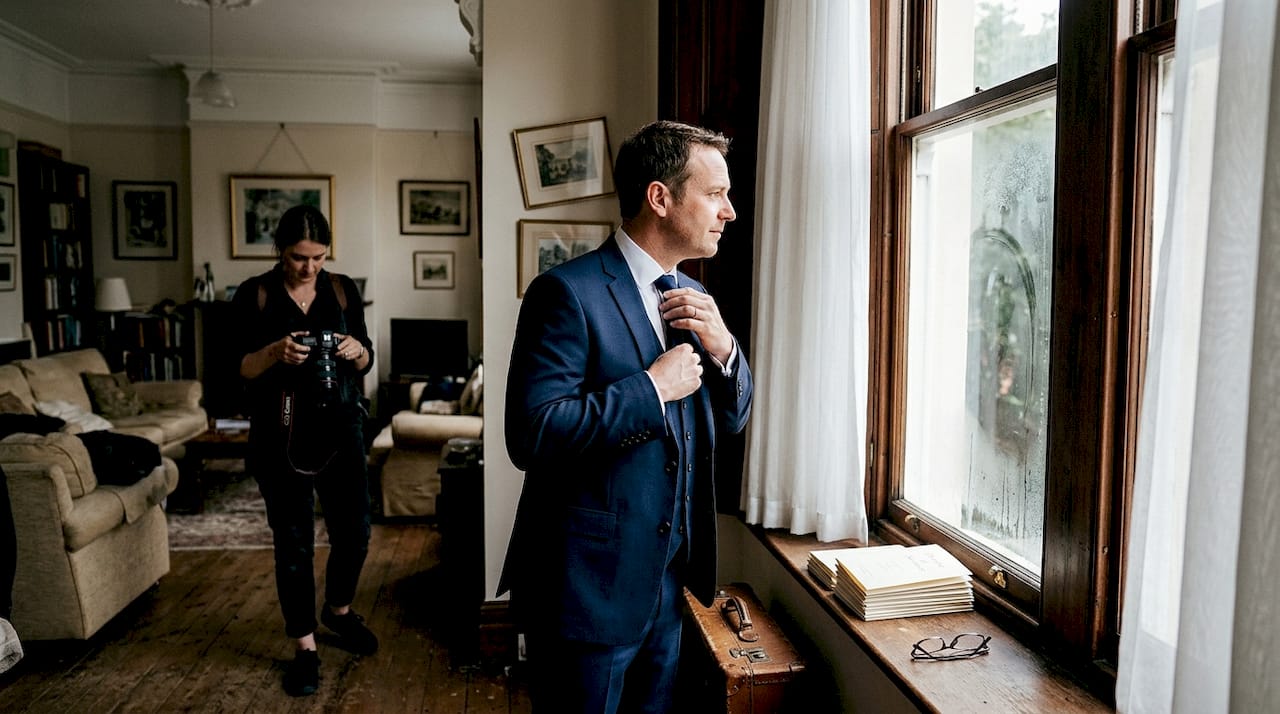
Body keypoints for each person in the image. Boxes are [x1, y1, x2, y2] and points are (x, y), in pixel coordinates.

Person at [499, 120, 754, 713]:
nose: (729, 211)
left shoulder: (696, 300)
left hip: (670, 587)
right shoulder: (566, 292)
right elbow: (531, 434)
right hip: (584, 590)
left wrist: (726, 351)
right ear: (660, 198)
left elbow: (733, 420)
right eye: (715, 194)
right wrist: (651, 389)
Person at [231, 204, 377, 697]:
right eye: (299, 257)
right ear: (280, 250)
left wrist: (358, 351)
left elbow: (366, 357)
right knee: (293, 542)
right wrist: (276, 351)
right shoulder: (255, 294)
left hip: (342, 428)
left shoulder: (343, 289)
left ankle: (338, 610)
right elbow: (238, 367)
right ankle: (305, 647)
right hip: (279, 434)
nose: (309, 267)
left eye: (318, 257)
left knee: (355, 532)